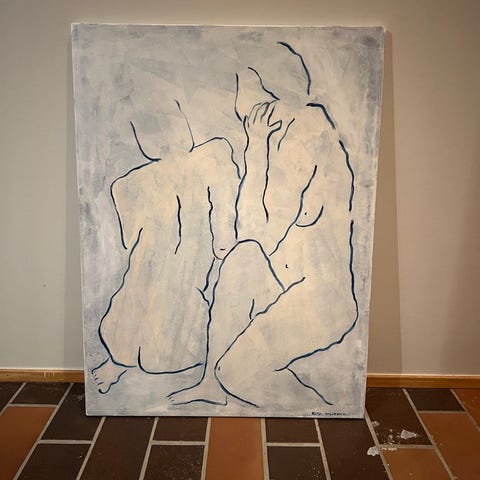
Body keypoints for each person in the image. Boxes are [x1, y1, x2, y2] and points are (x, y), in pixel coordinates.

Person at [170, 43, 358, 408]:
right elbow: (249, 242)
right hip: (287, 282)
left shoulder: (304, 134)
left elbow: (257, 230)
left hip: (320, 300)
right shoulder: (288, 132)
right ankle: (210, 383)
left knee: (237, 372)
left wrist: (255, 149)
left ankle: (323, 410)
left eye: (244, 87)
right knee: (242, 258)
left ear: (269, 94)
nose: (238, 102)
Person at [92, 104, 239, 394]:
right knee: (140, 293)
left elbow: (129, 238)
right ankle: (119, 361)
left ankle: (123, 362)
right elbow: (224, 233)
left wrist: (222, 245)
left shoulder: (211, 160)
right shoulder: (135, 183)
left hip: (181, 275)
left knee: (156, 297)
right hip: (161, 271)